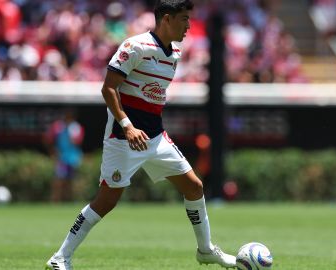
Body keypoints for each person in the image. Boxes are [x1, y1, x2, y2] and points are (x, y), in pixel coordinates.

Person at [45, 1, 236, 269]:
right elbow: (108, 89)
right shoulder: (135, 46)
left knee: (194, 187)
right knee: (106, 201)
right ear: (167, 19)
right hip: (124, 138)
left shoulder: (176, 51)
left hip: (155, 137)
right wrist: (127, 125)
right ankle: (60, 258)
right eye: (183, 19)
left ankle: (205, 250)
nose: (189, 25)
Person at [45, 109, 85, 202]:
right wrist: (52, 151)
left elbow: (78, 141)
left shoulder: (76, 127)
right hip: (61, 158)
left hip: (73, 158)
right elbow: (48, 139)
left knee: (70, 181)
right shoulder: (58, 126)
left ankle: (68, 200)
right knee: (58, 180)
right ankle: (56, 201)